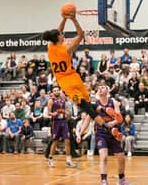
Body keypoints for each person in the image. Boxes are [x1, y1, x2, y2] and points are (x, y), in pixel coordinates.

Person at [42, 12, 122, 140]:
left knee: (85, 107)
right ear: (59, 37)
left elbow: (57, 32)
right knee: (89, 103)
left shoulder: (50, 46)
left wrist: (64, 19)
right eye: (61, 34)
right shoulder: (67, 48)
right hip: (75, 78)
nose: (63, 34)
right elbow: (81, 34)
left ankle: (108, 128)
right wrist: (72, 19)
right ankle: (106, 111)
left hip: (65, 83)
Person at [77, 85, 130, 185]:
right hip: (101, 133)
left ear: (108, 91)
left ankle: (121, 179)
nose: (100, 88)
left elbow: (118, 118)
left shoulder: (113, 102)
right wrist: (80, 133)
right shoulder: (94, 105)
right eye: (99, 87)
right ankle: (104, 180)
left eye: (103, 87)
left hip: (113, 132)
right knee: (103, 156)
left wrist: (113, 123)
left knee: (121, 157)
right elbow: (87, 120)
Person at [47, 86, 76, 167]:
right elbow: (48, 113)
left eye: (57, 90)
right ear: (52, 92)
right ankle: (50, 158)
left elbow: (65, 110)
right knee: (55, 141)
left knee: (67, 140)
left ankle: (68, 160)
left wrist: (66, 112)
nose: (56, 91)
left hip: (63, 121)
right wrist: (53, 114)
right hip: (56, 122)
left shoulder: (63, 100)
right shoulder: (51, 101)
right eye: (54, 90)